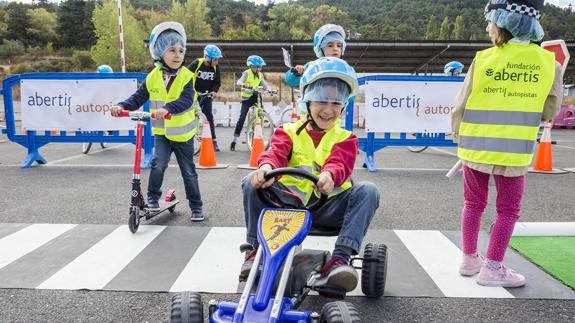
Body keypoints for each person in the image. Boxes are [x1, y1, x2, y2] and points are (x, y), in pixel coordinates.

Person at [240, 57, 380, 292]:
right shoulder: (288, 131)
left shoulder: (346, 138)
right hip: (285, 205)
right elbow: (275, 153)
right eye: (321, 102)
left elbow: (340, 163)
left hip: (326, 209)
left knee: (368, 190)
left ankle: (339, 260)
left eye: (336, 103)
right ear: (307, 101)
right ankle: (257, 251)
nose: (328, 110)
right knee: (250, 182)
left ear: (344, 106)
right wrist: (265, 169)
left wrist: (330, 176)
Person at [452, 0, 563, 287]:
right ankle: (493, 266)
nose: (488, 27)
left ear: (504, 23)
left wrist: (458, 138)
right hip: (515, 150)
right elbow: (550, 111)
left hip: (475, 146)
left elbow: (460, 105)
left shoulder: (484, 58)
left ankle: (468, 259)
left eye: (490, 21)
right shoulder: (549, 62)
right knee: (508, 210)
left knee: (472, 204)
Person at [110, 22, 205, 222]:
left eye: (181, 50)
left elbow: (186, 100)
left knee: (188, 171)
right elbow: (138, 97)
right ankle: (153, 199)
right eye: (172, 50)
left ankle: (196, 207)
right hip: (162, 133)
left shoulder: (187, 76)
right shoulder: (153, 76)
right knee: (157, 165)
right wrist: (121, 106)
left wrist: (168, 108)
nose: (177, 55)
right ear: (160, 52)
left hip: (182, 135)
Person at [284, 24, 346, 88]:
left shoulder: (345, 68)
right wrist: (296, 73)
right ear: (320, 49)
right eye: (330, 45)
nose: (335, 49)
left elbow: (352, 91)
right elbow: (290, 81)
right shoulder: (313, 66)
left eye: (339, 46)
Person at [231, 55, 272, 151]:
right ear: (253, 66)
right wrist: (243, 84)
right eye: (259, 66)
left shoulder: (260, 75)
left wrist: (270, 89)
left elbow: (264, 84)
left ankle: (259, 128)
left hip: (255, 95)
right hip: (246, 98)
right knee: (242, 117)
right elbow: (239, 81)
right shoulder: (246, 73)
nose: (261, 68)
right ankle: (234, 139)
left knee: (261, 112)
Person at [187, 44, 223, 151]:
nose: (217, 61)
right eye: (216, 59)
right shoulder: (197, 63)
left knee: (208, 116)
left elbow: (217, 83)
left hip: (206, 94)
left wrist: (214, 91)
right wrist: (189, 89)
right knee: (188, 115)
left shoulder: (216, 67)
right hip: (193, 92)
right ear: (208, 58)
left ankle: (213, 140)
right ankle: (186, 139)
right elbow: (186, 75)